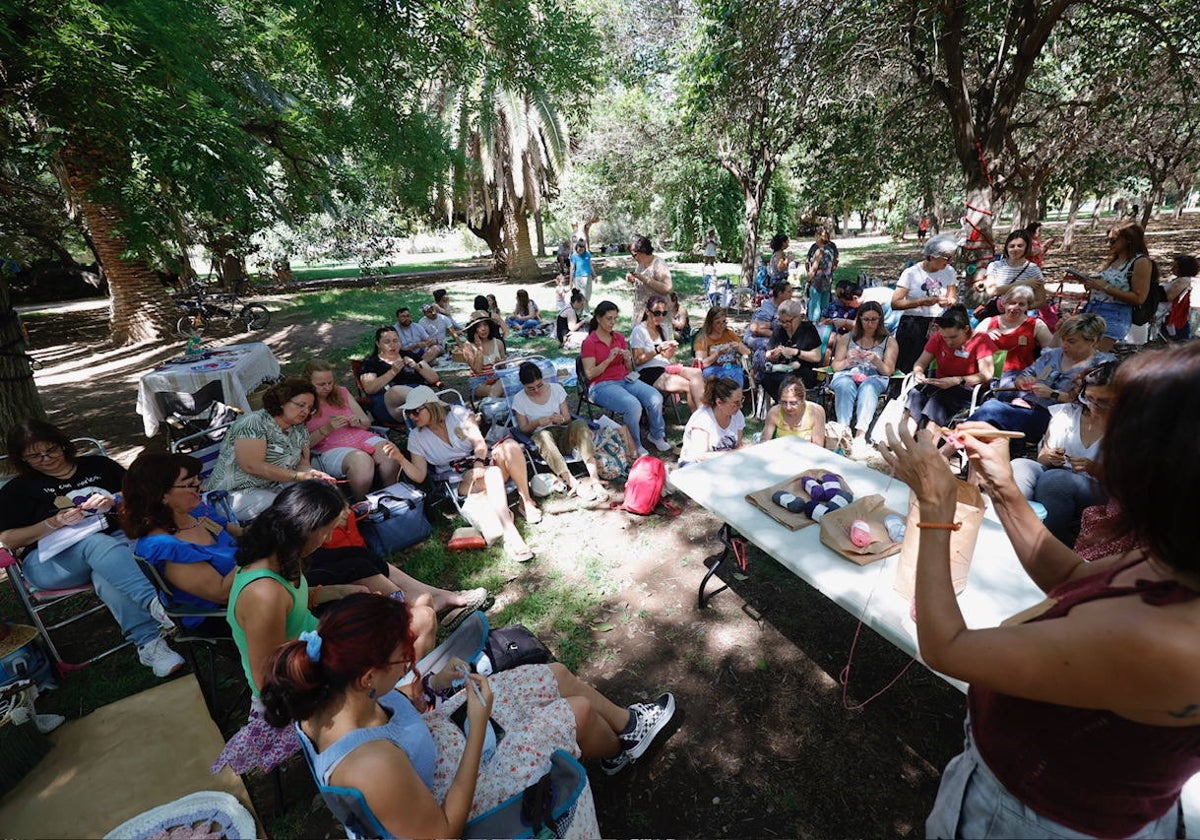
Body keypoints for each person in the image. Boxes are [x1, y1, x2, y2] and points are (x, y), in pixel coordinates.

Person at [878, 344, 1200, 840]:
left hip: (1038, 820)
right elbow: (1076, 581)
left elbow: (947, 647)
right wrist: (1002, 486)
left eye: (1118, 418)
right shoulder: (1180, 559)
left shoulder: (1174, 642)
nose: (1104, 435)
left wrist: (937, 504)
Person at [260, 594, 678, 837]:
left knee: (552, 676)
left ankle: (627, 728)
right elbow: (443, 832)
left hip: (435, 748)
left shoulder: (326, 692)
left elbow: (389, 708)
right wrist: (477, 727)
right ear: (368, 676)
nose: (409, 663)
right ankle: (616, 754)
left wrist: (429, 685)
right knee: (577, 712)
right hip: (452, 796)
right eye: (401, 660)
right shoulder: (372, 765)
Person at [213, 481, 437, 775]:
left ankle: (392, 695)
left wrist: (341, 592)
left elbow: (292, 605)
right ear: (305, 527)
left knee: (420, 614)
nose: (330, 538)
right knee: (422, 620)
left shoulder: (275, 557)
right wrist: (338, 658)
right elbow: (268, 677)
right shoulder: (262, 593)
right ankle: (389, 701)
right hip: (305, 680)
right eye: (327, 530)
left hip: (318, 647)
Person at [122, 452, 484, 631]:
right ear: (161, 495)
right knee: (350, 566)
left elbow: (243, 536)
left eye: (198, 481)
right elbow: (219, 592)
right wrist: (264, 546)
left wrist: (279, 524)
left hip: (264, 575)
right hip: (236, 608)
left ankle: (430, 599)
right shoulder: (162, 546)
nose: (198, 489)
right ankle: (409, 618)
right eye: (190, 485)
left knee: (355, 554)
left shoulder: (199, 514)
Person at [0, 420, 184, 677]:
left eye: (51, 450)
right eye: (34, 456)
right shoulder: (18, 490)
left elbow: (143, 496)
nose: (45, 459)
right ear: (22, 458)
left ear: (63, 444)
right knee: (95, 543)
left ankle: (149, 644)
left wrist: (115, 499)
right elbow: (7, 539)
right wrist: (52, 523)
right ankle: (160, 606)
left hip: (115, 552)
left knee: (105, 573)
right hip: (51, 563)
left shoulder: (98, 466)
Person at [394, 386, 540, 563]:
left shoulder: (457, 414)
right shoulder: (416, 438)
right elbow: (419, 476)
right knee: (493, 473)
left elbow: (479, 443)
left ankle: (525, 501)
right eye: (409, 413)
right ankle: (511, 533)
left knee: (510, 446)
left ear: (431, 406)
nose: (411, 417)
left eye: (415, 411)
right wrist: (400, 458)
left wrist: (479, 462)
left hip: (480, 461)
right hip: (457, 479)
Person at [1008, 361, 1118, 546]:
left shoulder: (1129, 428)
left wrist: (1093, 468)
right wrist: (1049, 457)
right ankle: (1014, 532)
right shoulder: (1067, 414)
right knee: (1019, 466)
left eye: (1104, 402)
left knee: (1057, 480)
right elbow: (1042, 457)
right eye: (1089, 398)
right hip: (1055, 478)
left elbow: (1130, 484)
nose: (1093, 406)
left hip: (1101, 492)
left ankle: (1048, 545)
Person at [967, 312, 1113, 447]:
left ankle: (951, 447)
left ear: (1092, 341)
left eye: (1072, 341)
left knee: (991, 410)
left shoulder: (1102, 366)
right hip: (1029, 409)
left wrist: (1053, 394)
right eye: (1063, 340)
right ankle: (965, 452)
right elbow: (1024, 375)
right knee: (991, 420)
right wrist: (1022, 381)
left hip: (1062, 421)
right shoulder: (1054, 355)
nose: (1064, 345)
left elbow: (1094, 404)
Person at [206, 378, 335, 520]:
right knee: (289, 508)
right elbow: (252, 466)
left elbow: (303, 465)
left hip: (274, 486)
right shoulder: (254, 422)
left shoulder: (299, 428)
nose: (306, 411)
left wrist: (314, 475)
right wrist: (298, 477)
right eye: (301, 405)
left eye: (310, 408)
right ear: (282, 402)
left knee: (323, 495)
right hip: (233, 493)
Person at [580, 300, 672, 457]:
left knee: (655, 396)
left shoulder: (618, 338)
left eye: (615, 318)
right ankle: (634, 443)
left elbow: (628, 369)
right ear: (598, 318)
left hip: (624, 379)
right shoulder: (589, 342)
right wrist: (608, 359)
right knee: (633, 405)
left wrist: (628, 359)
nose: (613, 322)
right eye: (609, 318)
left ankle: (657, 435)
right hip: (600, 385)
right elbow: (590, 374)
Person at [304, 360, 403, 499]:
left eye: (330, 382)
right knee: (361, 461)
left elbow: (366, 422)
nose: (327, 387)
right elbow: (301, 444)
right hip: (326, 449)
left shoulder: (341, 392)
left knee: (390, 451)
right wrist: (326, 429)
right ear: (308, 383)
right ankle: (362, 505)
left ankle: (393, 498)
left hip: (359, 436)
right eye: (321, 384)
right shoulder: (302, 403)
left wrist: (357, 422)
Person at [511, 362, 606, 503]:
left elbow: (567, 418)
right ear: (523, 385)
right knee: (543, 435)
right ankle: (572, 482)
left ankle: (595, 479)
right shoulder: (519, 399)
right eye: (531, 388)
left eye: (539, 385)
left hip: (562, 434)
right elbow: (523, 428)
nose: (536, 390)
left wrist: (559, 419)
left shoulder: (556, 389)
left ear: (542, 379)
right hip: (541, 440)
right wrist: (537, 423)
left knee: (579, 424)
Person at [902, 306, 997, 430]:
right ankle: (906, 440)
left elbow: (987, 374)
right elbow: (920, 363)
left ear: (966, 329)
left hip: (967, 389)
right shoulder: (938, 337)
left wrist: (958, 380)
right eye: (945, 337)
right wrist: (919, 372)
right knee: (916, 394)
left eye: (953, 337)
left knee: (939, 399)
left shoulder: (980, 340)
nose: (949, 342)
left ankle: (928, 443)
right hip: (939, 384)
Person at [829, 301, 897, 458]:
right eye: (866, 319)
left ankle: (860, 434)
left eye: (874, 319)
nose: (870, 323)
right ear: (859, 319)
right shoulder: (847, 338)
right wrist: (847, 361)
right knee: (845, 385)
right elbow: (835, 367)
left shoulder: (889, 341)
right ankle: (843, 430)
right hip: (847, 373)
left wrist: (876, 360)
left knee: (868, 387)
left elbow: (888, 371)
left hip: (875, 376)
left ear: (880, 320)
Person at [1075, 221, 1155, 351]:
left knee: (1090, 358)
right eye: (1107, 240)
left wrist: (1104, 287)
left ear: (1128, 240)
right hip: (1093, 310)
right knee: (1077, 352)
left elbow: (1139, 298)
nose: (1108, 244)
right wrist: (1091, 285)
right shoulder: (1114, 260)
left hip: (1114, 315)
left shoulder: (1140, 262)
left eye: (1113, 240)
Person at [892, 234, 959, 373]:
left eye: (952, 257)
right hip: (913, 324)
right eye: (947, 258)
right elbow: (895, 303)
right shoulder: (911, 274)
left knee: (936, 365)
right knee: (909, 364)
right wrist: (920, 302)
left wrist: (949, 302)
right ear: (933, 256)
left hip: (939, 323)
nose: (950, 261)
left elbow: (952, 296)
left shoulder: (950, 272)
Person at [630, 294, 705, 412]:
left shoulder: (663, 328)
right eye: (657, 313)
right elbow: (637, 360)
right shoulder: (639, 331)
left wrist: (670, 350)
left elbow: (667, 356)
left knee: (697, 373)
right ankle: (699, 417)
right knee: (690, 385)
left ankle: (703, 412)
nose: (661, 317)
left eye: (664, 313)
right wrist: (657, 350)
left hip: (665, 367)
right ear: (647, 312)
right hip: (648, 372)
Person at [358, 326, 441, 424]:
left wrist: (416, 366)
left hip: (417, 405)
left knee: (419, 409)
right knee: (396, 390)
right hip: (390, 407)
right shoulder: (371, 362)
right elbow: (369, 388)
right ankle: (442, 408)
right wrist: (392, 372)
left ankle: (435, 414)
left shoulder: (408, 355)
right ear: (378, 344)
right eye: (387, 342)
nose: (392, 345)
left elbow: (434, 378)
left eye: (395, 340)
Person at [973, 285, 1053, 376]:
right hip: (989, 375)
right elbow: (967, 347)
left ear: (1028, 307)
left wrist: (1042, 378)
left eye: (1021, 304)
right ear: (1004, 304)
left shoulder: (1036, 325)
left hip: (1020, 379)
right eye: (1012, 303)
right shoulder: (988, 322)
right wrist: (983, 337)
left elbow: (1054, 355)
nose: (1015, 307)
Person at [757, 299, 823, 401]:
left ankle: (787, 403)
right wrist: (772, 355)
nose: (784, 325)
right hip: (782, 368)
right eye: (781, 321)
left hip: (804, 370)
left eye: (788, 321)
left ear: (798, 317)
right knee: (764, 376)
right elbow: (769, 352)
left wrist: (795, 352)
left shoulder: (808, 329)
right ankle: (782, 402)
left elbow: (816, 357)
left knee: (787, 379)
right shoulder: (779, 330)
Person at [973, 229, 1046, 319]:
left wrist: (1019, 308)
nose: (1015, 249)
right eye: (1012, 246)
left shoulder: (1033, 270)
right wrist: (1022, 284)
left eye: (1020, 246)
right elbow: (992, 291)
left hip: (1019, 318)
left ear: (1026, 248)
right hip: (995, 314)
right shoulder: (995, 266)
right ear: (1006, 247)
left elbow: (1041, 301)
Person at [678, 376, 746, 467]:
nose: (741, 406)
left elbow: (737, 445)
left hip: (722, 461)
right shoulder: (703, 419)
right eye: (736, 403)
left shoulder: (737, 415)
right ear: (719, 403)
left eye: (741, 400)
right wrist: (734, 453)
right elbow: (700, 456)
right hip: (694, 464)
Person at [761, 376, 827, 446]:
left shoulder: (815, 412)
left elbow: (818, 447)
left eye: (793, 403)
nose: (788, 407)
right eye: (783, 402)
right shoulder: (774, 412)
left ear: (803, 399)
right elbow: (764, 442)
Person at [694, 306, 751, 386]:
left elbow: (747, 352)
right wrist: (718, 353)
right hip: (713, 369)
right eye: (718, 322)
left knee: (737, 374)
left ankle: (736, 397)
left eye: (724, 321)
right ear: (711, 323)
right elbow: (702, 364)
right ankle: (727, 397)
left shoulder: (729, 334)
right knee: (723, 377)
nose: (722, 325)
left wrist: (738, 346)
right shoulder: (703, 339)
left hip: (732, 367)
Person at [624, 235, 673, 322]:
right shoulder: (640, 265)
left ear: (642, 251)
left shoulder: (658, 264)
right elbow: (641, 282)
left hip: (657, 315)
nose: (634, 258)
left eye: (634, 255)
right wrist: (633, 279)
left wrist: (644, 279)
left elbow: (667, 288)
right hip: (642, 312)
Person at [461, 311, 508, 400]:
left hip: (497, 379)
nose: (483, 329)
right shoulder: (468, 346)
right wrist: (479, 348)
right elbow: (477, 370)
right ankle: (490, 404)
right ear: (474, 329)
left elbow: (503, 369)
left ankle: (490, 404)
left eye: (485, 325)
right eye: (479, 326)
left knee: (505, 386)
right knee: (501, 392)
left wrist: (501, 363)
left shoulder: (498, 343)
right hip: (479, 381)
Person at [744, 281, 792, 353]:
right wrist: (779, 336)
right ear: (780, 294)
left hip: (769, 336)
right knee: (777, 346)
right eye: (789, 292)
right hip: (754, 337)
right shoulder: (768, 309)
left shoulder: (783, 306)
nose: (791, 294)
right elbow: (755, 329)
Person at [805, 226, 840, 321]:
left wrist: (808, 279)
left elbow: (814, 268)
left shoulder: (819, 251)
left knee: (815, 304)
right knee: (825, 304)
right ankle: (824, 323)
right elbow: (834, 264)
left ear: (819, 237)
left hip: (817, 281)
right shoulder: (831, 249)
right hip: (827, 280)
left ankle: (814, 325)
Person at [1159, 254, 1196, 341]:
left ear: (1183, 268)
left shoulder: (1183, 282)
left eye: (1175, 267)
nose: (1172, 269)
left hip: (1165, 311)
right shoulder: (1181, 280)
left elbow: (1169, 297)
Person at [569, 236, 595, 303]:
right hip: (579, 277)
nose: (581, 250)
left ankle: (586, 310)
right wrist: (571, 281)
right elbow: (572, 269)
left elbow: (590, 265)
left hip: (588, 276)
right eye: (579, 249)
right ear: (577, 248)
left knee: (588, 294)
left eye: (582, 248)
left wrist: (594, 275)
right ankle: (581, 310)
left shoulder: (587, 254)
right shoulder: (574, 256)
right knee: (582, 294)